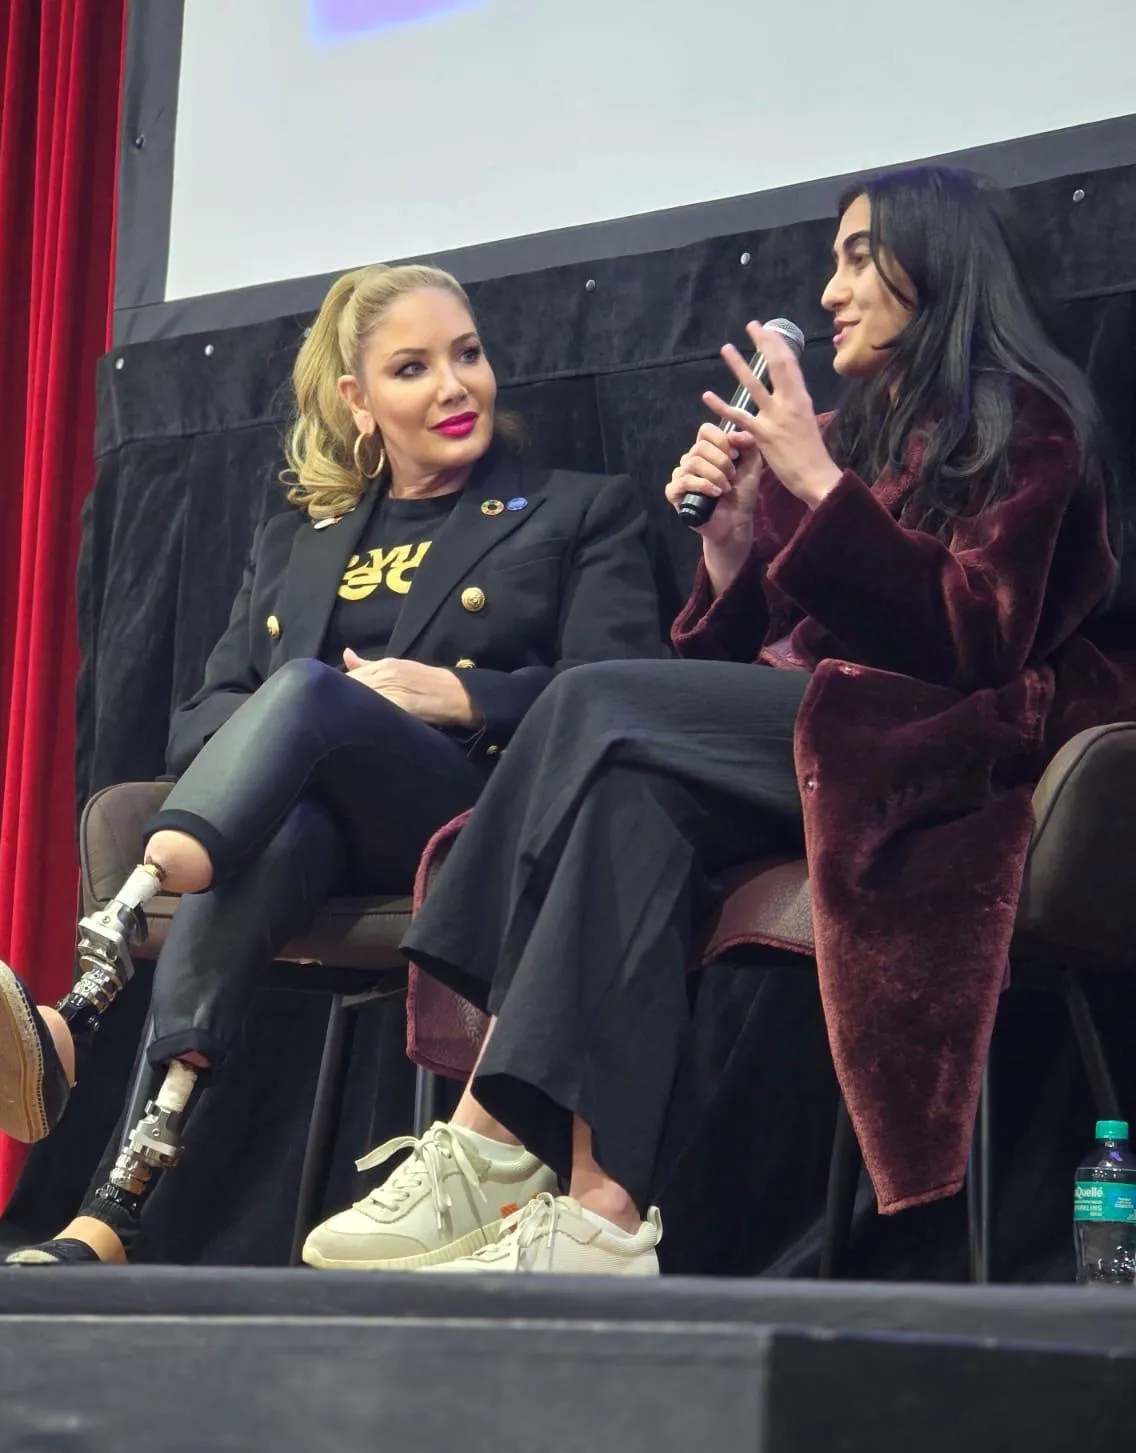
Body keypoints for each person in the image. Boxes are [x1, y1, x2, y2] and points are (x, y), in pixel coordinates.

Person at [303, 165, 1126, 1277]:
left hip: (936, 747)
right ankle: (601, 1219)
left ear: (936, 264)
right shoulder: (848, 431)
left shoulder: (1025, 421)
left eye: (854, 257)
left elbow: (979, 635)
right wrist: (734, 543)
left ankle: (488, 1129)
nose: (830, 291)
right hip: (800, 736)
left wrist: (814, 483)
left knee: (594, 697)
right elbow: (728, 668)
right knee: (628, 799)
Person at [0, 262, 664, 1265]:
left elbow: (625, 691)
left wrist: (453, 695)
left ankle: (88, 994)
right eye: (414, 367)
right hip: (323, 835)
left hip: (479, 818)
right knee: (284, 816)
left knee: (309, 691)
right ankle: (109, 1213)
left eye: (468, 354)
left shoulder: (574, 512)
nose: (456, 386)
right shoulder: (304, 540)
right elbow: (204, 713)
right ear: (357, 401)